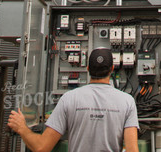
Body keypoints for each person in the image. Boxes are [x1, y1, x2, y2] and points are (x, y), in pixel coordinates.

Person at [8, 47, 139, 152]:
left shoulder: (69, 99)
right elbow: (132, 150)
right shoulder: (127, 101)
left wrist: (22, 128)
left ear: (87, 69)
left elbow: (42, 147)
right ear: (112, 69)